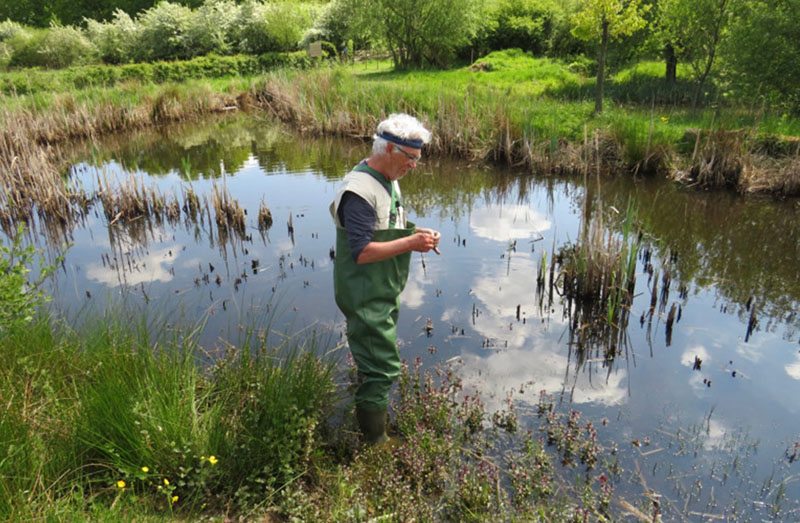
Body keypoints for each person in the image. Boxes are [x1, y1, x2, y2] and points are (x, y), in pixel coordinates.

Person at [330, 113, 440, 445]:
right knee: (384, 369)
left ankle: (366, 391)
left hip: (381, 288)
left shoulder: (387, 176)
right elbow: (361, 251)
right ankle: (375, 442)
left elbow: (384, 223)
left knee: (373, 359)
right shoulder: (359, 191)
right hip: (364, 292)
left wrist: (416, 231)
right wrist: (411, 243)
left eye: (418, 159)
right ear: (389, 149)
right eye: (411, 158)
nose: (415, 166)